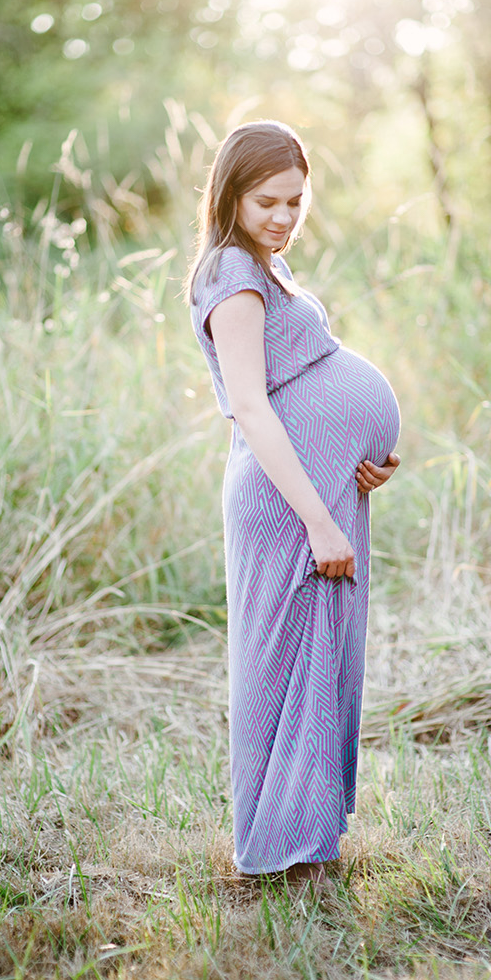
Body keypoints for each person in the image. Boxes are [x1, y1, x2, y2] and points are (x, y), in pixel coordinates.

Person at [183, 120, 401, 884]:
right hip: (285, 505)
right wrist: (318, 517)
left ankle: (304, 836)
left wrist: (358, 459)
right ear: (232, 196)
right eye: (267, 201)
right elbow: (250, 404)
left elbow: (300, 387)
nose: (283, 217)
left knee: (317, 658)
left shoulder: (264, 268)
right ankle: (271, 845)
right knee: (278, 666)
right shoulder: (234, 276)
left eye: (296, 202)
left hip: (317, 486)